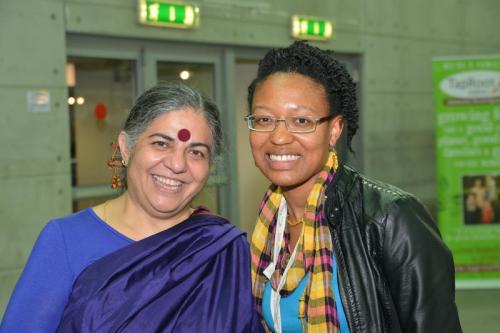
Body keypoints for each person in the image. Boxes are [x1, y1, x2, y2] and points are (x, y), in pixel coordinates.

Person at [1, 83, 260, 332]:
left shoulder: (222, 249)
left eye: (196, 152)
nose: (178, 164)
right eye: (161, 143)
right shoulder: (66, 240)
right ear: (126, 147)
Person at [246, 41, 462, 332]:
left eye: (301, 120)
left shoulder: (391, 219)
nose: (279, 137)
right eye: (264, 119)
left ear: (334, 129)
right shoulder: (269, 226)